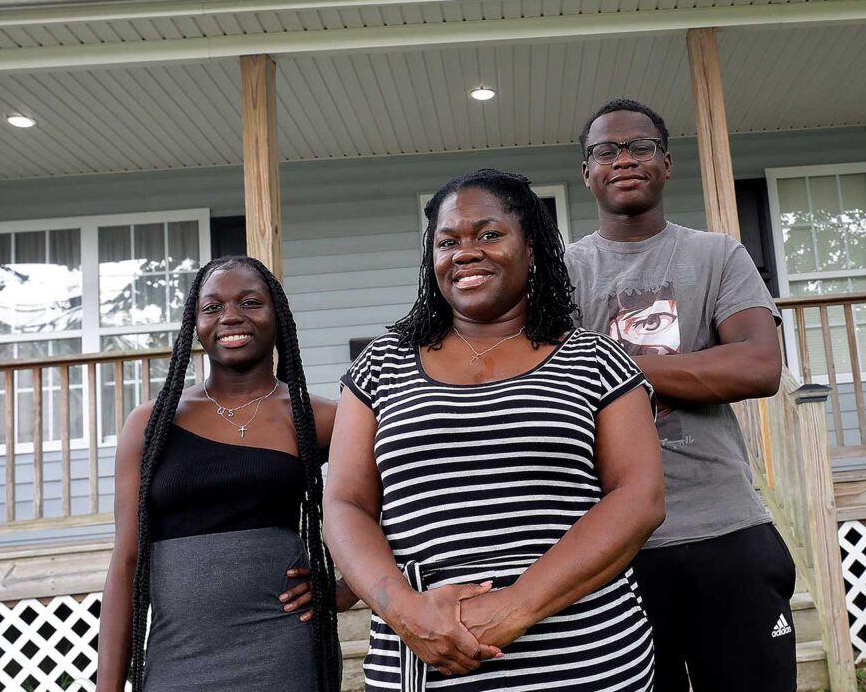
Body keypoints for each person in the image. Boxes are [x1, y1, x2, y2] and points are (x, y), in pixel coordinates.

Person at [325, 168, 664, 691]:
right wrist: (405, 612)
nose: (466, 252)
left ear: (531, 249)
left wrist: (516, 606)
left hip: (585, 663)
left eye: (489, 234)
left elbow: (639, 498)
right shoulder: (381, 365)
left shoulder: (595, 359)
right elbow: (346, 503)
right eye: (448, 241)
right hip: (423, 661)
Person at [566, 98, 791, 692]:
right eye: (605, 151)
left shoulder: (716, 255)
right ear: (587, 172)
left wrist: (611, 362)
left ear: (666, 164)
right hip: (613, 544)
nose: (623, 159)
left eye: (640, 147)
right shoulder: (560, 274)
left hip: (727, 528)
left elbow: (758, 366)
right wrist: (687, 368)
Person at [96, 255, 353, 692]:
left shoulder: (320, 417)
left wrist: (342, 591)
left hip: (281, 650)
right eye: (212, 307)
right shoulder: (150, 425)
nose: (230, 316)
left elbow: (392, 505)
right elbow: (125, 563)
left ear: (279, 317)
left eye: (250, 302)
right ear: (194, 325)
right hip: (178, 656)